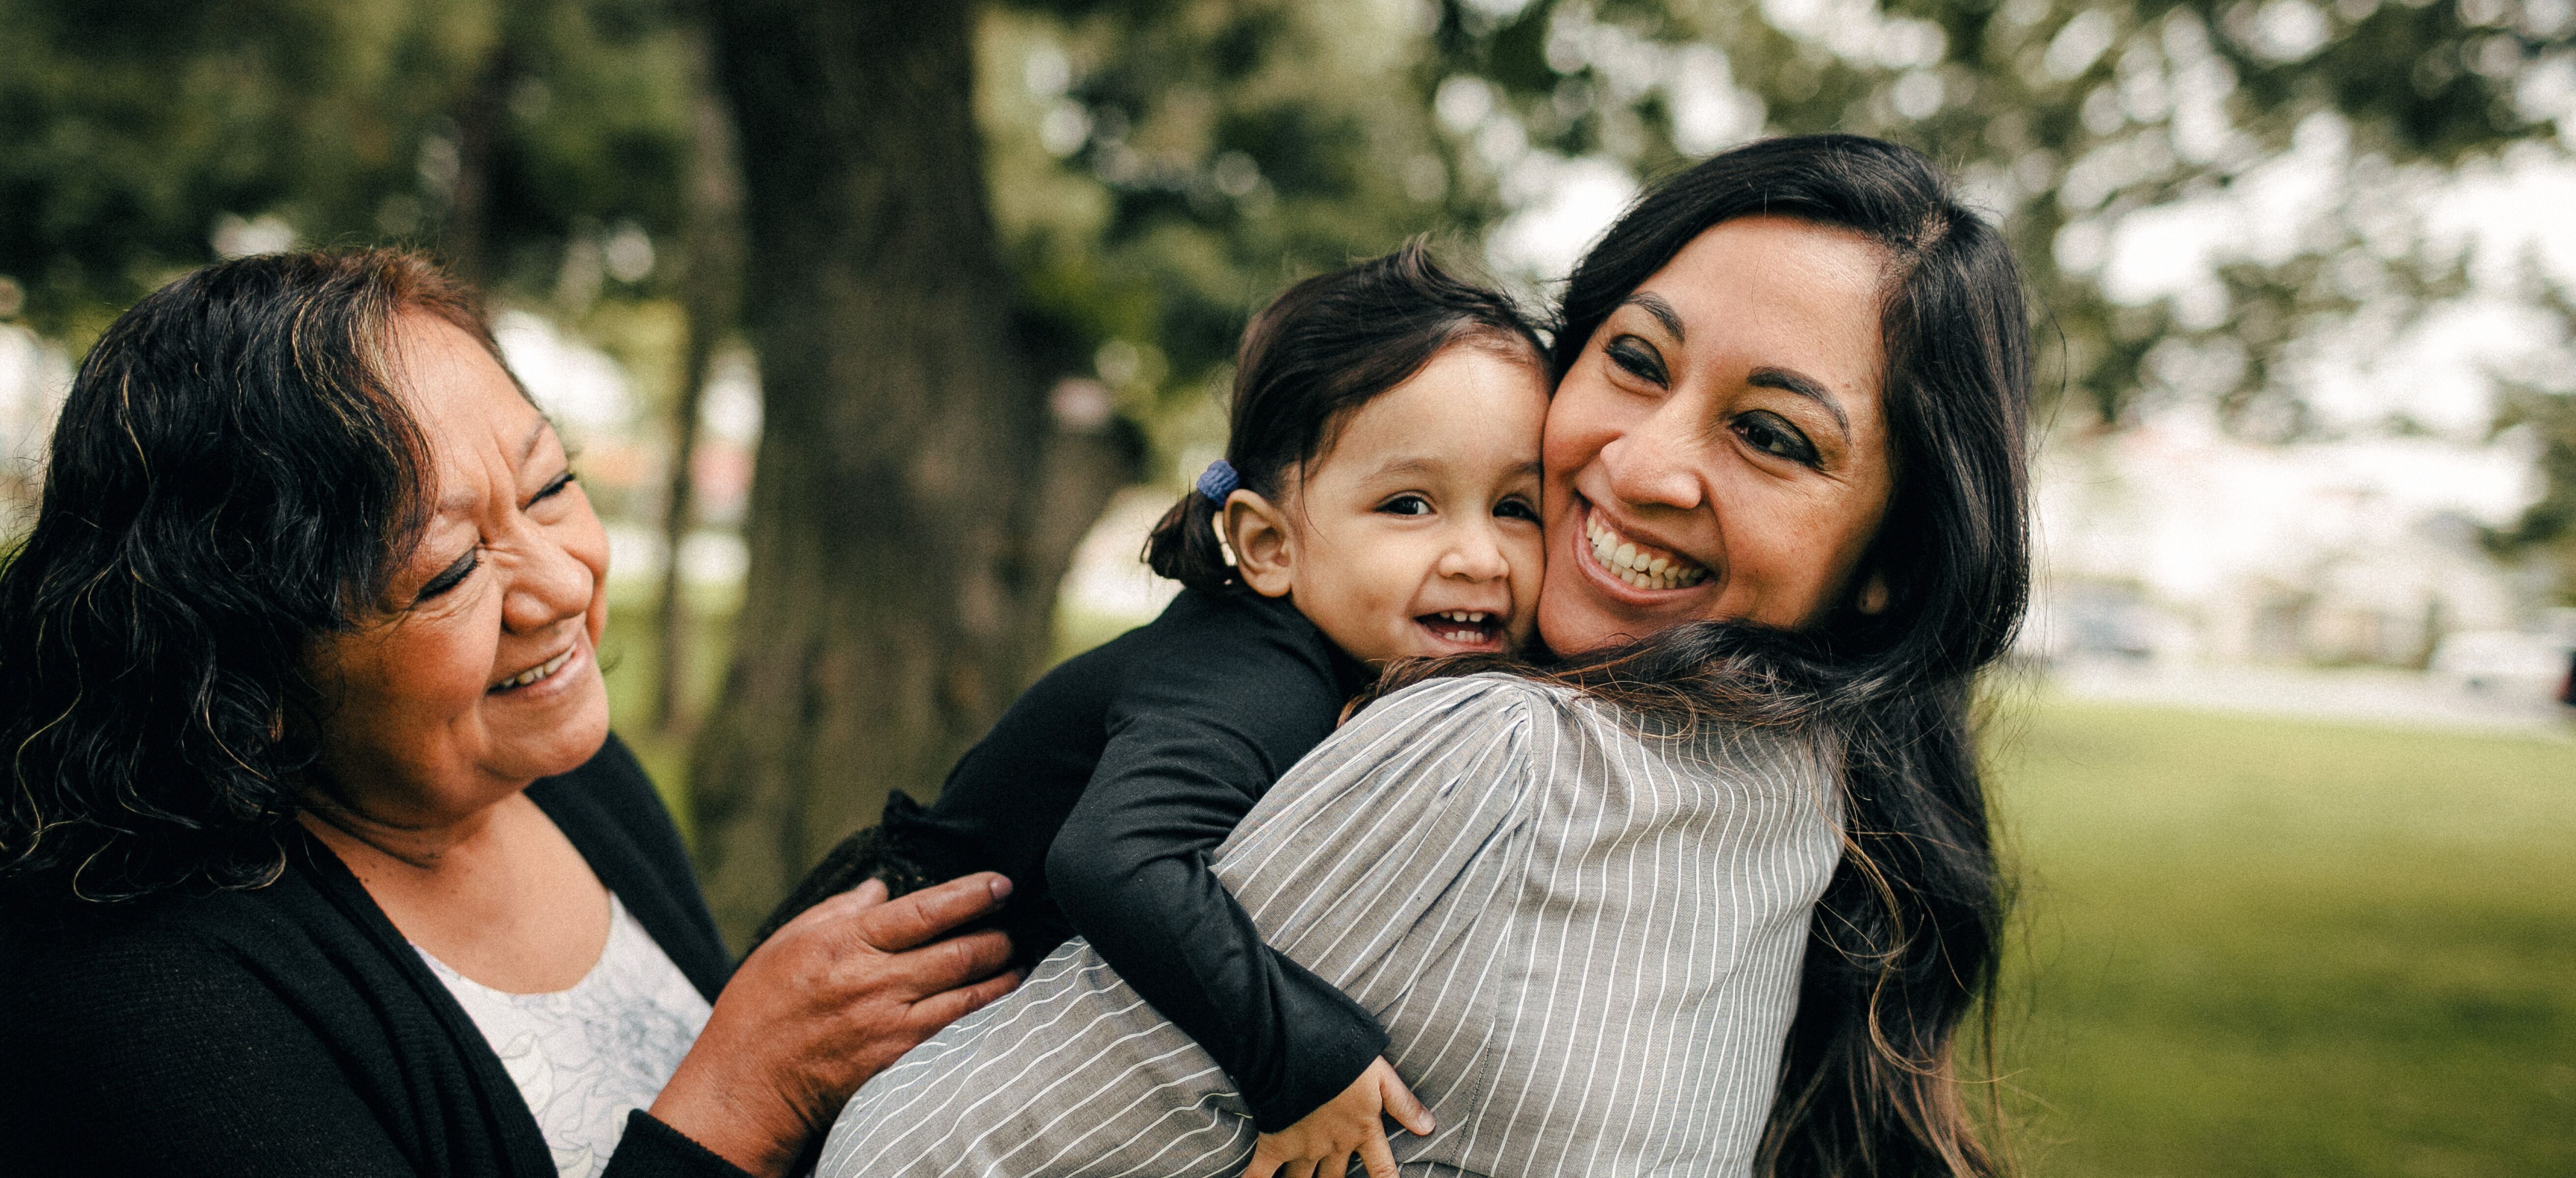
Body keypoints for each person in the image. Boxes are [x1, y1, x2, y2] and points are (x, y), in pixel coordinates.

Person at [815, 132, 2031, 1178]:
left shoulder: (1577, 760)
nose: (1644, 466)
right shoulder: (1770, 802)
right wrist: (1308, 1053)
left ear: (1897, 556)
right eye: (1636, 361)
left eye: (1770, 435)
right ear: (1267, 541)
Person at [0, 251, 1020, 1178]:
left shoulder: (574, 776)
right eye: (446, 572)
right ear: (243, 673)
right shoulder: (156, 1007)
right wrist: (749, 1094)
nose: (562, 586)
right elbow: (730, 1095)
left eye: (550, 487)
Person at [758, 244, 1552, 1174]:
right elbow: (1114, 858)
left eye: (1517, 508)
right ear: (1266, 544)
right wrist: (1300, 1054)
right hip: (869, 1007)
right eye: (1410, 504)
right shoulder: (1253, 674)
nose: (1479, 556)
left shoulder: (1337, 657)